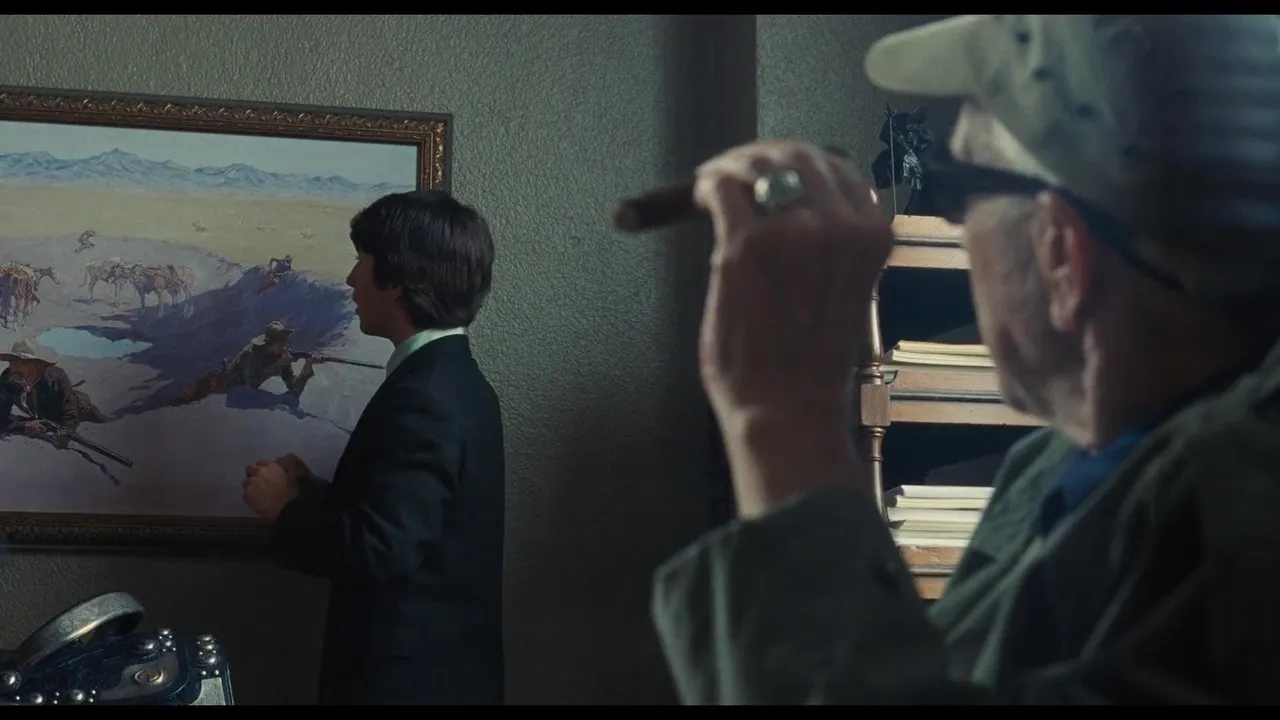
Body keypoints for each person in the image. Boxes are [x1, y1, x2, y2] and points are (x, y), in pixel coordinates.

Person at [650, 15, 1280, 704]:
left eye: (956, 184)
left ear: (1061, 256)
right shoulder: (1065, 469)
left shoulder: (1229, 531)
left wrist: (784, 427)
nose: (955, 225)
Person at [242, 190, 505, 705]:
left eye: (362, 260)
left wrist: (284, 509)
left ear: (397, 279)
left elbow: (382, 550)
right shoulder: (451, 381)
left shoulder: (425, 396)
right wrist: (315, 494)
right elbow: (413, 522)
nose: (350, 279)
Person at [0, 340, 78, 448]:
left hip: (71, 407)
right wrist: (24, 426)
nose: (15, 367)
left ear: (35, 365)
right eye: (12, 362)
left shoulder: (55, 377)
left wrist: (66, 431)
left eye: (23, 363)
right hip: (37, 415)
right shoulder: (8, 380)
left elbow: (70, 407)